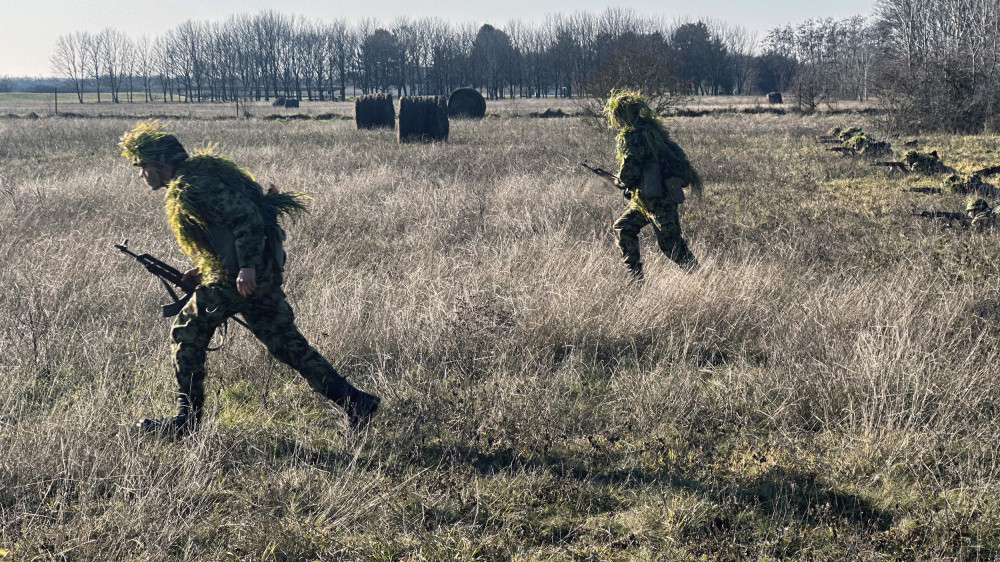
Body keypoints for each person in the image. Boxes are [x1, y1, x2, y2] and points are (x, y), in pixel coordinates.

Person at [119, 120, 380, 436]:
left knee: (186, 332)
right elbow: (226, 232)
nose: (141, 174)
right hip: (255, 274)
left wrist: (247, 268)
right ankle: (355, 402)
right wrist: (204, 269)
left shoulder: (194, 186)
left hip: (238, 278)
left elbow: (247, 219)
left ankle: (186, 421)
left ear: (161, 164)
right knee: (286, 344)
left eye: (142, 166)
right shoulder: (200, 177)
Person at [604, 90, 701, 279]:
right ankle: (635, 276)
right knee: (623, 228)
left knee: (671, 245)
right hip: (645, 199)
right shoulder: (652, 131)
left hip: (660, 200)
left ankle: (702, 279)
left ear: (628, 115)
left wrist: (619, 181)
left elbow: (630, 171)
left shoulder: (635, 136)